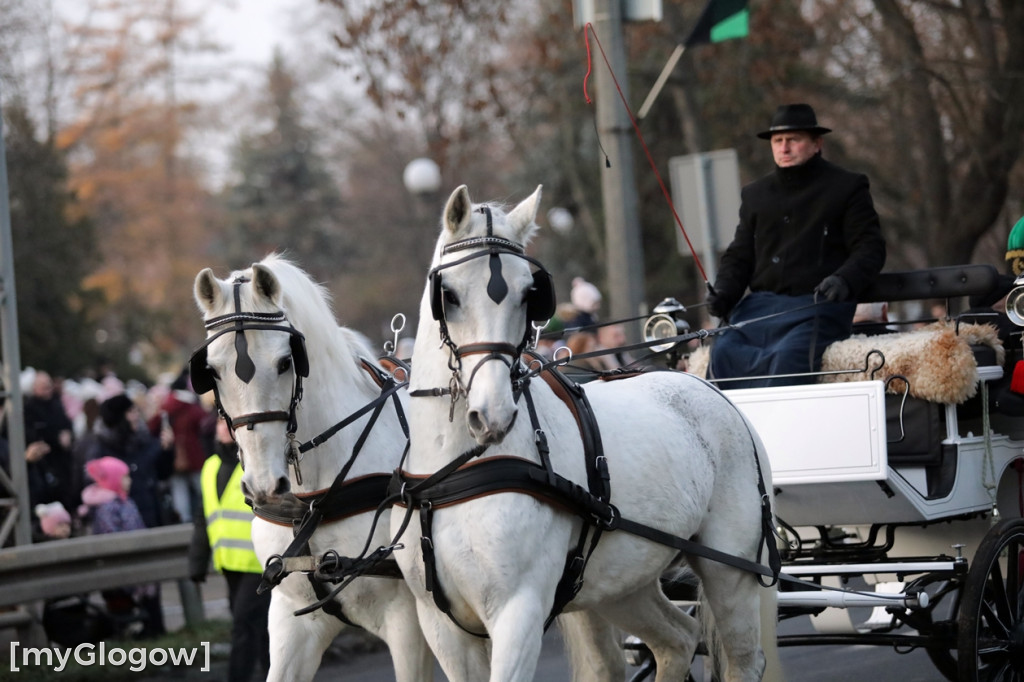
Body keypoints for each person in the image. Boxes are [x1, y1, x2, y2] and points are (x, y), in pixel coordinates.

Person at [706, 103, 887, 388]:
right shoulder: (755, 194)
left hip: (817, 308)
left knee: (787, 359)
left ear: (817, 144)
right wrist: (724, 292)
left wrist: (844, 279)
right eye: (778, 141)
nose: (784, 148)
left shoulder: (847, 187)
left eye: (794, 139)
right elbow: (740, 255)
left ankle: (778, 432)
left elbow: (870, 247)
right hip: (759, 309)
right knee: (724, 353)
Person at [189, 417, 271, 682]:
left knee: (243, 626)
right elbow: (204, 518)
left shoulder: (255, 465)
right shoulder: (210, 467)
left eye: (229, 423)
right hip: (229, 563)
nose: (223, 428)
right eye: (219, 424)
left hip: (259, 562)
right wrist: (197, 562)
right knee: (261, 629)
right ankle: (279, 674)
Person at [79, 456, 165, 637]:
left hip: (136, 557)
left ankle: (154, 629)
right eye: (125, 477)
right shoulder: (107, 508)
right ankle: (151, 629)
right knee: (148, 580)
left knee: (152, 578)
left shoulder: (124, 501)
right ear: (113, 479)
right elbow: (112, 537)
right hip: (122, 563)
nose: (129, 480)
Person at [79, 393, 175, 529]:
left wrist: (167, 450)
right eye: (130, 412)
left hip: (152, 516)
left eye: (136, 411)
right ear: (119, 417)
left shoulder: (144, 441)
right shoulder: (100, 450)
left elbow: (163, 473)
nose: (136, 416)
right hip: (121, 522)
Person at [148, 367, 210, 523]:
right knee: (201, 488)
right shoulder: (191, 407)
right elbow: (204, 423)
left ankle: (184, 519)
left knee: (179, 490)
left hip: (173, 456)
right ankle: (208, 514)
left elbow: (151, 427)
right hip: (194, 456)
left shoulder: (166, 407)